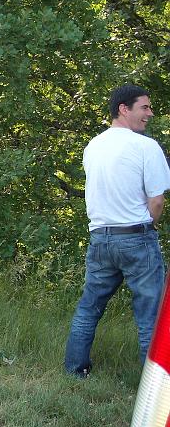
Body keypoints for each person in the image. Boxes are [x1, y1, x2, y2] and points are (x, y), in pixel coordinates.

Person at [64, 84, 170, 377]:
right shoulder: (145, 146)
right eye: (144, 107)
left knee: (89, 306)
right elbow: (157, 200)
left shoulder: (93, 146)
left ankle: (74, 370)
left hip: (100, 237)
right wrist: (147, 225)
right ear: (124, 109)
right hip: (136, 237)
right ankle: (152, 387)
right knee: (150, 316)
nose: (150, 113)